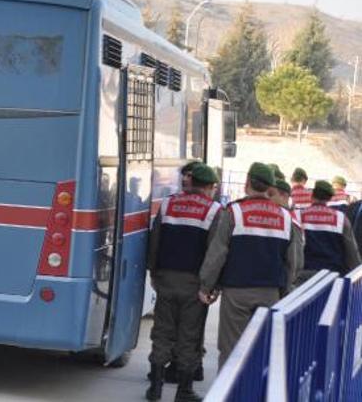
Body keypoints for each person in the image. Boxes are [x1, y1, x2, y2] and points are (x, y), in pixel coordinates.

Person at [199, 162, 302, 368]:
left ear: (247, 182)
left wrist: (207, 286)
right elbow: (294, 261)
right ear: (270, 188)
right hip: (270, 292)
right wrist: (285, 288)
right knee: (262, 349)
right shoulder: (285, 217)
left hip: (237, 292)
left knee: (231, 350)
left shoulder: (234, 211)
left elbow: (218, 253)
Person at [145, 164, 222, 402]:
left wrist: (154, 272)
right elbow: (214, 253)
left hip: (166, 278)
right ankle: (184, 391)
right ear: (209, 187)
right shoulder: (214, 210)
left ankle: (155, 388)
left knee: (162, 332)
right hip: (194, 283)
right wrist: (210, 285)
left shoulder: (168, 203)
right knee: (189, 336)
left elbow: (155, 239)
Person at [295, 180, 360, 284]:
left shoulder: (298, 216)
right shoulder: (340, 218)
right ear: (330, 198)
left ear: (312, 196)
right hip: (332, 277)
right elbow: (351, 251)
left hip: (304, 277)